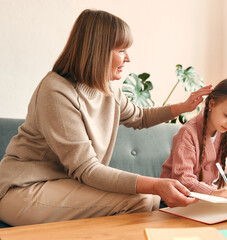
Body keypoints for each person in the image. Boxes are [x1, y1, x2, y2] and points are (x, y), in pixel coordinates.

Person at [0, 9, 212, 226]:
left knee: (146, 199)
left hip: (65, 184)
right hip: (24, 188)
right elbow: (86, 169)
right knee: (143, 200)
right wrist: (156, 185)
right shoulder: (56, 91)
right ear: (98, 51)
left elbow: (140, 117)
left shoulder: (109, 92)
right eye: (121, 50)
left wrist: (183, 107)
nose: (128, 58)